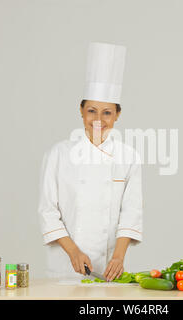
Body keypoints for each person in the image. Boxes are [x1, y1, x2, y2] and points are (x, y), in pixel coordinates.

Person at [38, 42, 143, 281]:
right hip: (65, 267)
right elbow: (48, 211)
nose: (98, 120)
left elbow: (131, 211)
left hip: (108, 267)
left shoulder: (129, 158)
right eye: (92, 111)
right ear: (81, 111)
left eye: (107, 112)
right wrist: (73, 252)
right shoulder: (58, 154)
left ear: (117, 115)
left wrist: (118, 258)